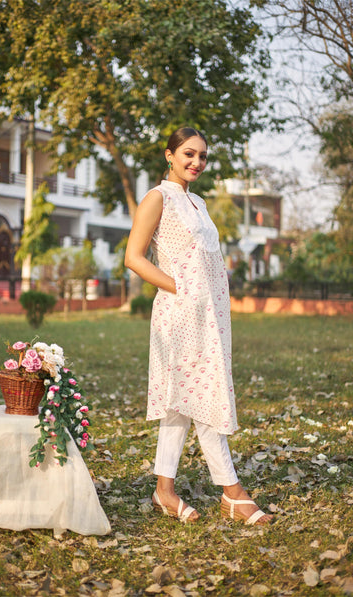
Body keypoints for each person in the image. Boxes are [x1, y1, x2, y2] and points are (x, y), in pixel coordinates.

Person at [125, 127, 272, 525]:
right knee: (200, 398)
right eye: (188, 154)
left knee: (185, 401)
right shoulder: (157, 198)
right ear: (169, 155)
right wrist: (180, 288)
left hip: (211, 316)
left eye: (203, 156)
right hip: (179, 314)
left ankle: (164, 492)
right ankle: (233, 493)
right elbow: (133, 257)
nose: (196, 162)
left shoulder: (200, 202)